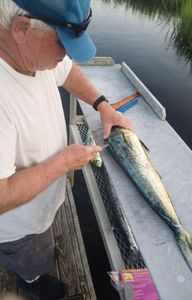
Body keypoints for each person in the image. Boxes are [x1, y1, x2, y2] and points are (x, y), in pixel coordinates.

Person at [0, 0, 133, 299]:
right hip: (15, 229)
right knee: (31, 262)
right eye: (63, 42)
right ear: (22, 29)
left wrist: (102, 105)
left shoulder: (33, 54)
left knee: (43, 242)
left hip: (42, 206)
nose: (68, 53)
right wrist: (61, 163)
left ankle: (42, 254)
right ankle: (32, 281)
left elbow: (67, 71)